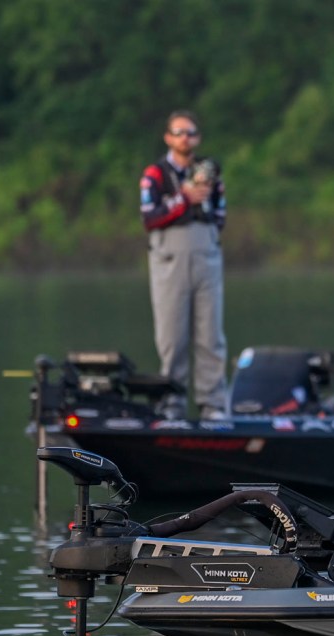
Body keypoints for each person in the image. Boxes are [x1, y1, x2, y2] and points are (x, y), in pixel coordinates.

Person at [139, 110, 229, 420]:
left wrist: (202, 203)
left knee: (211, 336)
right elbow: (149, 218)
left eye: (190, 133)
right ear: (168, 138)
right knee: (172, 337)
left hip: (206, 257)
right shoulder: (155, 174)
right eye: (178, 133)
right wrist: (183, 199)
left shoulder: (210, 172)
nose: (184, 139)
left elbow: (220, 215)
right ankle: (172, 403)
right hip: (170, 259)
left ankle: (213, 404)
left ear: (198, 138)